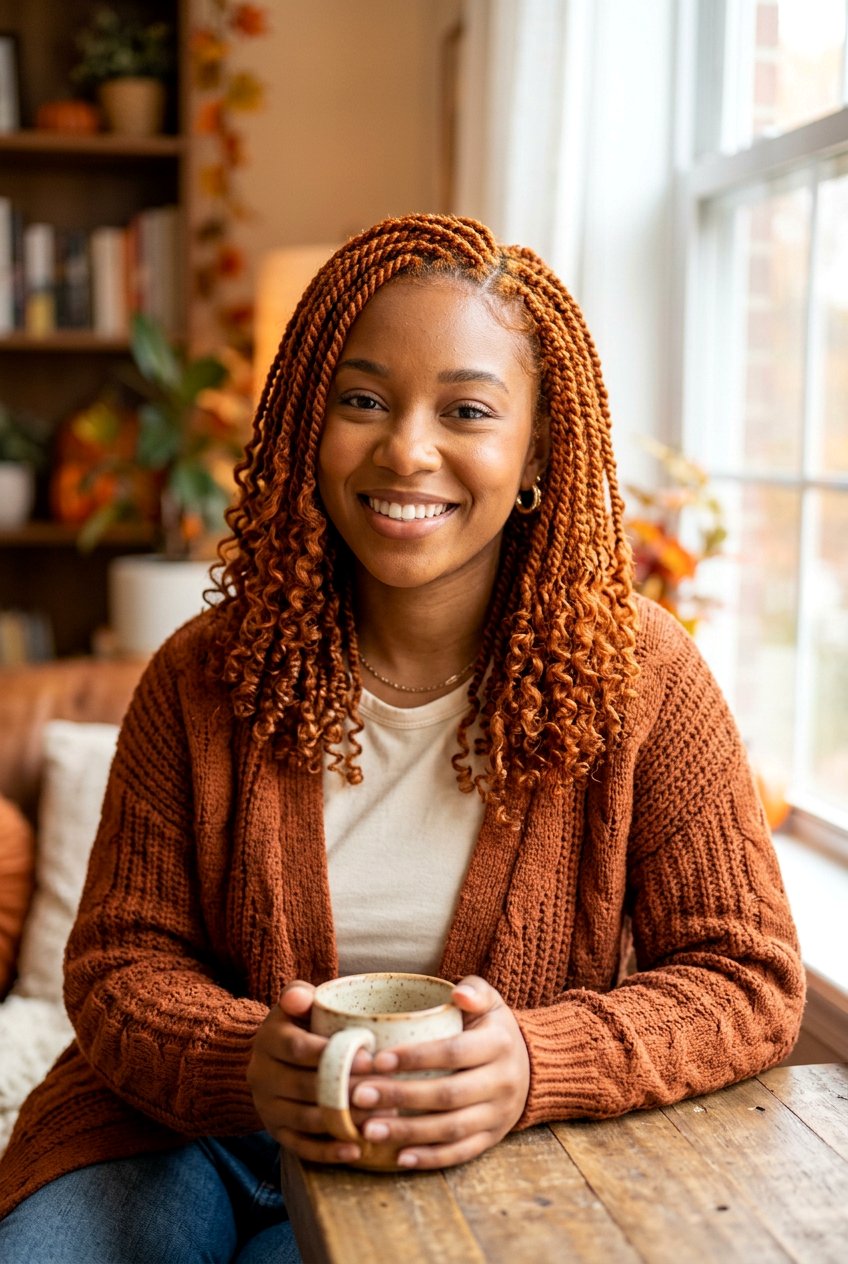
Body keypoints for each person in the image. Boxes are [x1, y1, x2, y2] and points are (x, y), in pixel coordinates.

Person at [0, 213, 803, 1261]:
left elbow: (746, 975)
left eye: (465, 409)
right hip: (173, 1135)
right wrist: (247, 1061)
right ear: (306, 424)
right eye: (363, 400)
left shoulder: (639, 678)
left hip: (459, 1156)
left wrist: (535, 1060)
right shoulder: (201, 675)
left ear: (534, 455)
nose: (405, 449)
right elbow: (116, 962)